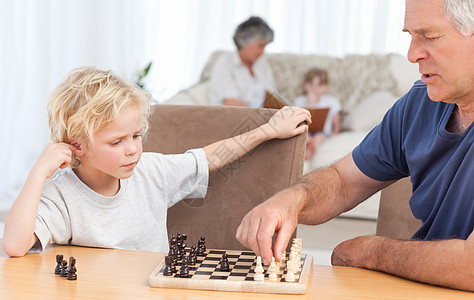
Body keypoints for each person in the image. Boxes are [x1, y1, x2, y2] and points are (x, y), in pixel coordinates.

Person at [236, 0, 474, 291]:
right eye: (410, 36)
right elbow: (343, 181)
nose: (412, 55)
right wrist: (292, 198)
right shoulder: (418, 103)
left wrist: (372, 252)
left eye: (430, 36)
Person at [1, 66, 311, 257]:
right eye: (116, 142)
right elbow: (14, 246)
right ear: (76, 145)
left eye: (136, 136)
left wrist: (268, 130)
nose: (132, 149)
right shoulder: (61, 195)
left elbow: (209, 157)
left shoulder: (151, 171)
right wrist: (38, 174)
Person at [210, 16, 276, 107]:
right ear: (245, 41)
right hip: (236, 118)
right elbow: (230, 103)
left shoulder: (263, 65)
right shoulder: (225, 64)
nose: (263, 52)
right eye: (260, 46)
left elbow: (273, 98)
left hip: (264, 118)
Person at [293, 68, 342, 160]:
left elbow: (337, 124)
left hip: (323, 132)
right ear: (304, 85)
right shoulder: (299, 101)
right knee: (304, 136)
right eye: (310, 84)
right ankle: (306, 146)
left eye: (319, 85)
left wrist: (335, 133)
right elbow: (296, 120)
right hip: (304, 130)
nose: (314, 89)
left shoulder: (331, 102)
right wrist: (309, 102)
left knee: (319, 137)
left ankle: (311, 148)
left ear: (326, 87)